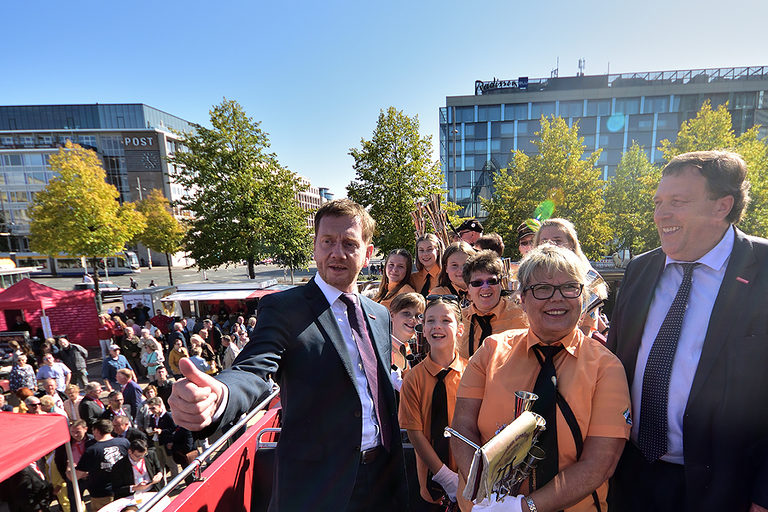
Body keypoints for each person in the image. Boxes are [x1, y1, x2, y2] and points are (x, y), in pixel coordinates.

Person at [170, 198, 407, 511]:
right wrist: (220, 395)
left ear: (368, 253)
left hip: (381, 482)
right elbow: (253, 371)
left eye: (349, 243)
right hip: (317, 489)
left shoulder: (380, 315)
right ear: (314, 247)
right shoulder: (283, 308)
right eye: (327, 241)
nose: (337, 252)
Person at [606, 151, 768, 512]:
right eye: (659, 202)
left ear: (721, 206)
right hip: (633, 476)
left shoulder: (764, 271)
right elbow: (616, 365)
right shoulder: (640, 270)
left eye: (677, 202)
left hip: (728, 489)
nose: (660, 215)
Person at [452, 245, 631, 512]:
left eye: (570, 287)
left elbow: (601, 462)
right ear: (522, 298)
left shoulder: (606, 367)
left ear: (582, 296)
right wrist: (484, 494)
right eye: (542, 289)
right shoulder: (490, 351)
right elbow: (463, 429)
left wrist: (524, 508)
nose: (557, 298)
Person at [399, 295, 468, 508]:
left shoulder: (472, 373)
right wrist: (444, 475)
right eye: (430, 320)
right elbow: (415, 433)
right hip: (429, 482)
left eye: (446, 320)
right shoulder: (413, 378)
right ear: (423, 327)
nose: (437, 326)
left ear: (460, 329)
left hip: (468, 479)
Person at [534, 218, 609, 338]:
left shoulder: (588, 278)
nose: (550, 245)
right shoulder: (530, 278)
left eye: (557, 241)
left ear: (572, 245)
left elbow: (586, 329)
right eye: (544, 241)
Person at [458, 250, 527, 359]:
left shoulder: (521, 318)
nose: (485, 287)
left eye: (491, 281)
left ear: (500, 284)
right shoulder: (459, 320)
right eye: (477, 283)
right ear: (468, 289)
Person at [76, 419, 130, 510]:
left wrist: (69, 470)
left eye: (93, 430)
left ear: (96, 431)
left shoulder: (92, 450)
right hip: (124, 489)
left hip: (101, 493)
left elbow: (78, 475)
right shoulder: (124, 442)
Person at [388, 292, 425, 392]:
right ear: (392, 315)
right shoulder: (382, 346)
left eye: (418, 316)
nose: (412, 319)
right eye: (406, 313)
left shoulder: (422, 348)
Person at [413, 233, 444, 297]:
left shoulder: (446, 276)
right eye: (421, 250)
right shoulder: (413, 279)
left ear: (437, 251)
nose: (425, 254)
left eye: (429, 249)